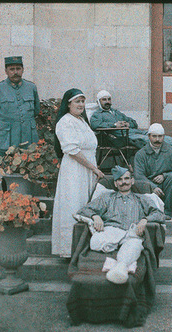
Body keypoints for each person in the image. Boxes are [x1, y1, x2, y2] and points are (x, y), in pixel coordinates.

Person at [76, 166, 165, 284]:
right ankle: (122, 257)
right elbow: (84, 210)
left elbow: (159, 215)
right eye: (120, 180)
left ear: (132, 181)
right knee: (95, 242)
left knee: (135, 243)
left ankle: (120, 267)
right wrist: (95, 216)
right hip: (111, 231)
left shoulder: (141, 198)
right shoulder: (106, 197)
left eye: (127, 178)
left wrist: (144, 220)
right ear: (115, 183)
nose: (124, 182)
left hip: (132, 232)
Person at [52, 88, 105, 258]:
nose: (81, 104)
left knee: (87, 204)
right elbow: (72, 151)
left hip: (87, 169)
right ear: (68, 104)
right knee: (73, 205)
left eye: (83, 101)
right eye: (77, 101)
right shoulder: (65, 122)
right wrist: (94, 168)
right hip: (74, 171)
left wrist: (92, 168)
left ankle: (86, 247)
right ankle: (70, 249)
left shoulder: (82, 121)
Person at [90, 90, 172, 153]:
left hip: (133, 131)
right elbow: (95, 125)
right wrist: (115, 125)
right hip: (122, 137)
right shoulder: (97, 115)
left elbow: (133, 122)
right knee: (147, 139)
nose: (107, 102)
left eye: (109, 99)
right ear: (99, 102)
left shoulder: (116, 112)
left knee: (154, 133)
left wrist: (129, 123)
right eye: (104, 100)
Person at [133, 123, 172, 220]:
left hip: (167, 186)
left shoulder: (171, 151)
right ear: (149, 136)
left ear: (164, 137)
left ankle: (166, 210)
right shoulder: (141, 154)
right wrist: (152, 187)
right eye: (154, 136)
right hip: (148, 185)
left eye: (160, 136)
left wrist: (164, 176)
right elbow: (139, 175)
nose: (157, 139)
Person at [0, 56, 40, 155]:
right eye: (11, 69)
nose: (15, 72)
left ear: (23, 70)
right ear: (6, 71)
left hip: (29, 138)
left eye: (18, 69)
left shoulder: (31, 87)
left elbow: (36, 110)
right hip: (6, 139)